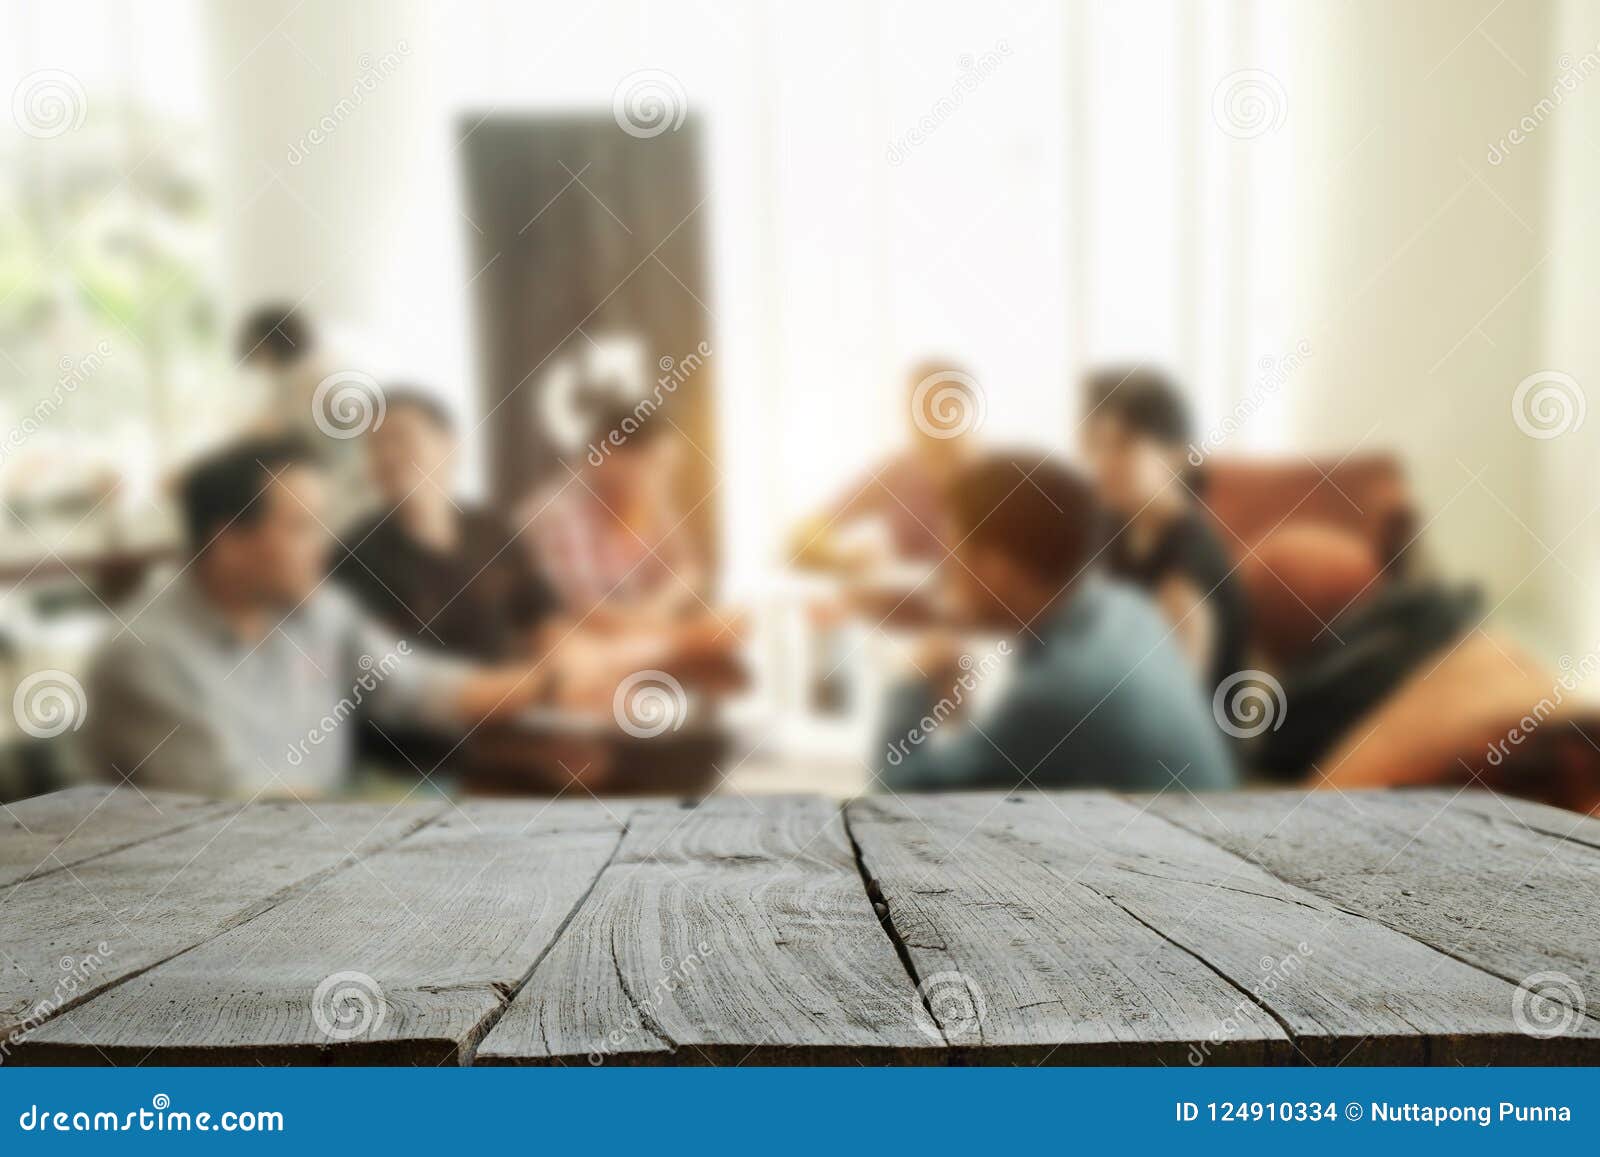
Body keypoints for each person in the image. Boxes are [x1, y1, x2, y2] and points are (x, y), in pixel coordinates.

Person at [86, 436, 596, 798]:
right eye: (301, 527)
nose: (323, 544)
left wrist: (551, 686)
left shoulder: (315, 611)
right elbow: (234, 810)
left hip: (330, 840)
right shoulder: (142, 656)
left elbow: (417, 685)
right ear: (229, 544)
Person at [876, 452, 1236, 793]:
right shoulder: (1127, 609)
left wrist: (911, 682)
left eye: (952, 551)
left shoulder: (1054, 698)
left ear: (995, 568)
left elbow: (895, 800)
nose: (945, 570)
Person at [331, 387, 558, 661]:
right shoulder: (356, 557)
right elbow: (381, 676)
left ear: (449, 445)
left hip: (518, 693)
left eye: (400, 438)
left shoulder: (491, 532)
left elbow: (543, 623)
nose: (388, 456)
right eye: (376, 445)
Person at [1080, 366, 1248, 693]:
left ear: (1176, 455)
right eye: (1097, 444)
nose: (1102, 462)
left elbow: (1168, 702)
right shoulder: (1114, 527)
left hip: (1182, 733)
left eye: (1123, 445)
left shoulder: (1188, 561)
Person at [522, 399, 707, 623]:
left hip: (636, 640)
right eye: (655, 465)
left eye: (668, 468)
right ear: (608, 454)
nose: (662, 481)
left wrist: (657, 611)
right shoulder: (556, 515)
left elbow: (688, 570)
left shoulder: (650, 501)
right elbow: (586, 613)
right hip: (570, 642)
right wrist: (674, 633)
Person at [790, 359, 979, 573]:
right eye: (913, 406)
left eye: (933, 405)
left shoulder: (991, 476)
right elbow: (808, 529)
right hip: (910, 600)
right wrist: (841, 559)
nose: (919, 417)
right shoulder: (900, 469)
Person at [235, 303, 384, 530]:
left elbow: (266, 429)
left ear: (268, 345)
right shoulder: (305, 374)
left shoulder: (307, 378)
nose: (259, 362)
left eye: (259, 350)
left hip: (349, 490)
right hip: (346, 486)